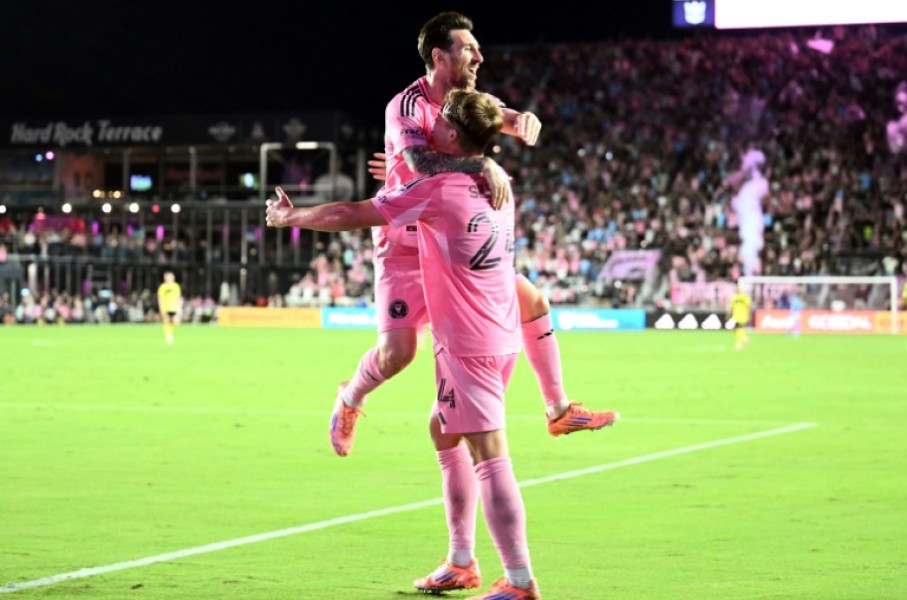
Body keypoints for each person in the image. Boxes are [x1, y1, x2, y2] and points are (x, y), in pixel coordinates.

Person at [267, 88, 545, 599]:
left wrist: (292, 218)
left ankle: (521, 581)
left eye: (441, 125)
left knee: (490, 454)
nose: (429, 128)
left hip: (468, 340)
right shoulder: (498, 190)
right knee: (442, 429)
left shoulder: (440, 189)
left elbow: (353, 213)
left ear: (454, 136)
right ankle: (461, 560)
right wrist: (404, 172)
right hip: (495, 329)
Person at [329, 10, 616, 458]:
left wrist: (524, 120)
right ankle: (350, 399)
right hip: (404, 242)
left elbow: (502, 116)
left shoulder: (469, 99)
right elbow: (422, 165)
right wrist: (483, 162)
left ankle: (558, 410)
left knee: (534, 300)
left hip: (448, 244)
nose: (480, 56)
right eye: (469, 48)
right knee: (397, 355)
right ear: (440, 57)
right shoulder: (405, 105)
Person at [724, 147, 769, 277]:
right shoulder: (742, 191)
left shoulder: (759, 184)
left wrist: (747, 168)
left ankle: (753, 275)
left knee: (750, 251)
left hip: (752, 223)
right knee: (746, 252)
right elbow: (731, 182)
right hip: (746, 224)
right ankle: (749, 274)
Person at [156, 271, 182, 345]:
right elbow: (160, 298)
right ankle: (168, 336)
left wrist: (179, 306)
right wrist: (161, 308)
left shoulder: (176, 286)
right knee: (166, 322)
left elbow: (178, 297)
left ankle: (170, 333)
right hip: (165, 307)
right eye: (167, 277)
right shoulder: (163, 287)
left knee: (176, 322)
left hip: (174, 307)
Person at [730, 283, 752, 350]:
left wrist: (749, 314)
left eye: (737, 289)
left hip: (742, 316)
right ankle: (744, 339)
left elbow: (748, 306)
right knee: (737, 329)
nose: (736, 290)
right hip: (736, 316)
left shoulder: (744, 297)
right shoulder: (734, 298)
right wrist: (730, 315)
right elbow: (732, 307)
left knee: (738, 328)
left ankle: (739, 343)